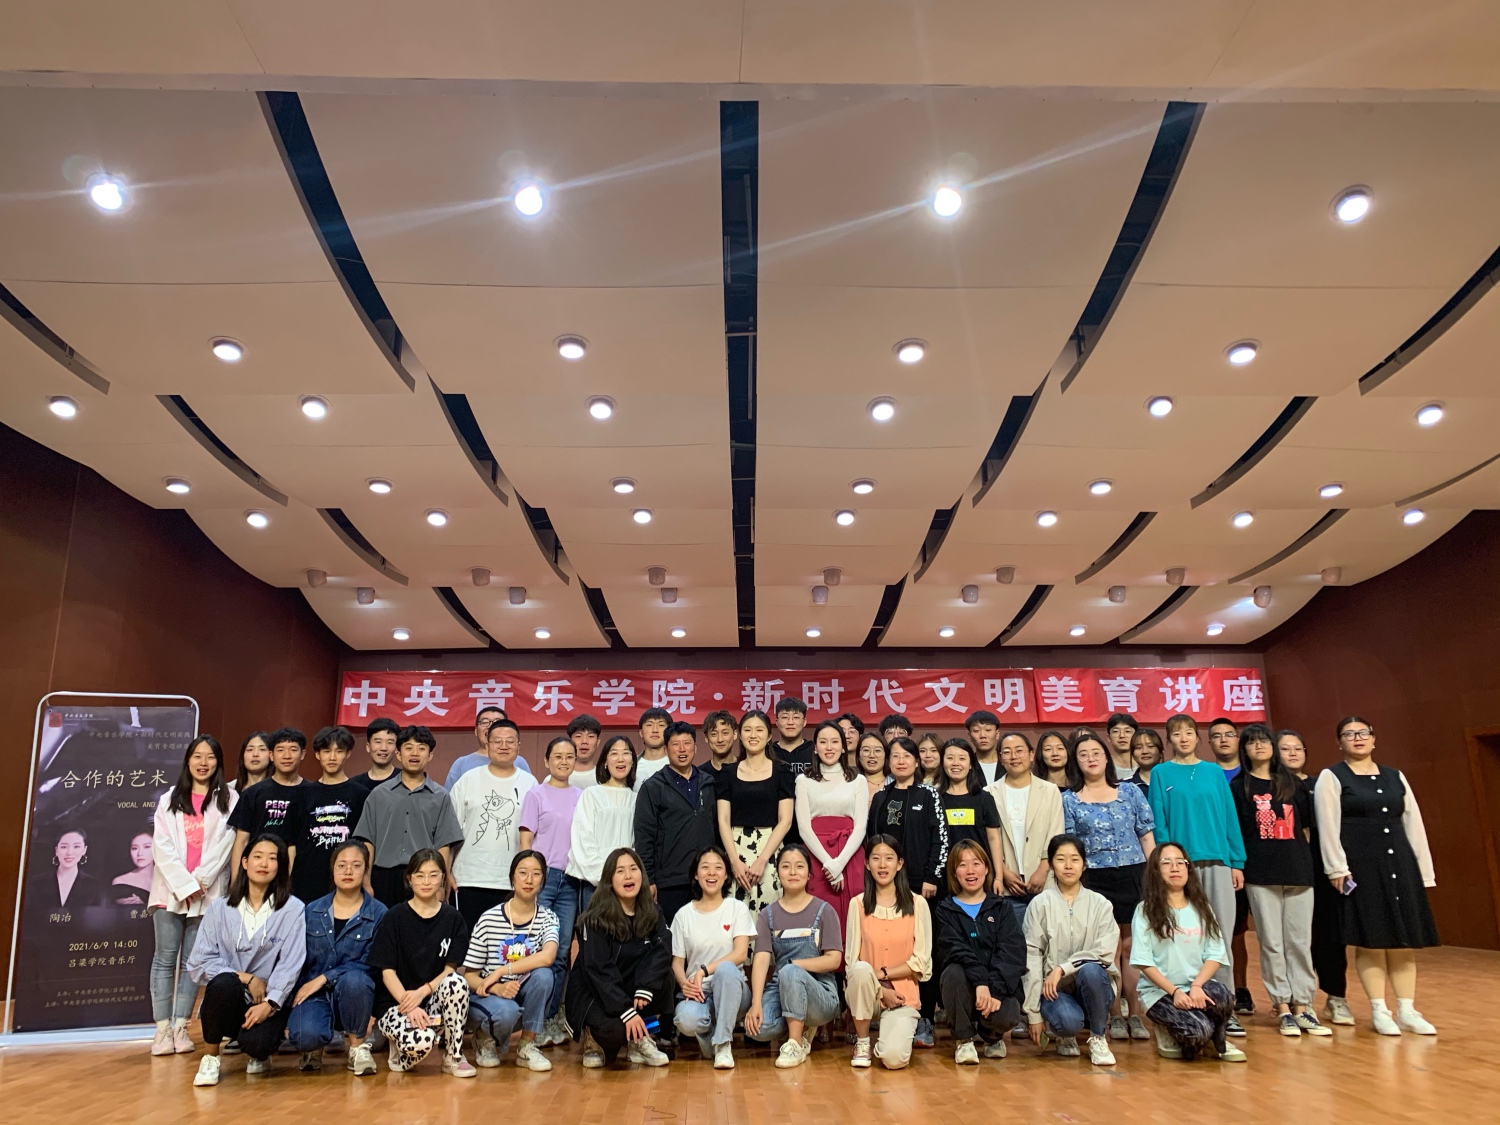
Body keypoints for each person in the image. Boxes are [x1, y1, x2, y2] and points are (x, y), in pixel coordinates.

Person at [1315, 716, 1439, 1036]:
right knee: (1372, 939)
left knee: (1402, 940)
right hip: (1361, 867)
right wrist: (1336, 868)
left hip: (1400, 864)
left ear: (1374, 738)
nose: (1357, 738)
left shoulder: (1395, 776)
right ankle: (1379, 1009)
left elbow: (1412, 822)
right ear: (1339, 742)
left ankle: (1407, 1009)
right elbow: (1328, 826)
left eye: (1363, 733)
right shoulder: (1332, 776)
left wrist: (1423, 871)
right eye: (1349, 734)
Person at [1230, 723, 1331, 1038]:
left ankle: (1304, 1005)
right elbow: (1238, 831)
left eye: (1264, 741)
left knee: (1299, 941)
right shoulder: (1239, 786)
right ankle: (1282, 1006)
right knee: (1272, 942)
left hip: (1298, 871)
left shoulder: (1292, 783)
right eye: (1252, 742)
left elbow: (1307, 829)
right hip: (1261, 874)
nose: (1259, 746)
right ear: (1244, 750)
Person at [1148, 714, 1246, 1034]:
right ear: (1169, 740)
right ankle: (1185, 1004)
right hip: (1181, 866)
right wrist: (1167, 862)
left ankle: (1224, 1006)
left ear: (1197, 737)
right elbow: (1159, 821)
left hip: (1218, 861)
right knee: (1184, 936)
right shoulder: (1161, 773)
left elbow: (1229, 817)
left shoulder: (1214, 772)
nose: (1184, 738)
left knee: (1220, 937)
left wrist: (1236, 861)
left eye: (1189, 732)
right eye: (1177, 734)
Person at [185, 833, 307, 1086]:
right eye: (257, 857)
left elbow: (291, 964)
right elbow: (199, 962)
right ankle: (210, 1057)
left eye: (272, 858)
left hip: (267, 999)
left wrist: (270, 1003)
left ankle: (259, 1050)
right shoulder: (219, 908)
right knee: (224, 983)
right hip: (230, 996)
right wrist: (246, 978)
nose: (264, 864)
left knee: (258, 1045)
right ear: (244, 862)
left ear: (281, 866)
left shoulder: (293, 909)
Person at [1061, 729, 1155, 1041]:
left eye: (1096, 753)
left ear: (1107, 757)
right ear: (1076, 761)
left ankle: (1136, 1014)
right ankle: (1113, 1015)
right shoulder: (1069, 799)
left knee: (1131, 946)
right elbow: (1070, 846)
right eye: (1083, 755)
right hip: (1095, 878)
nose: (1091, 759)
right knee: (1107, 948)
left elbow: (1146, 836)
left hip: (1133, 873)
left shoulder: (1130, 792)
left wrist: (1154, 874)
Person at [148, 734, 238, 1055]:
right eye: (197, 756)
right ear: (188, 760)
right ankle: (161, 1030)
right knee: (164, 959)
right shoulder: (168, 799)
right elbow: (161, 847)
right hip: (169, 891)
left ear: (218, 762)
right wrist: (184, 885)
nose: (203, 762)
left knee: (192, 962)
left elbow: (226, 844)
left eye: (210, 757)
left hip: (207, 892)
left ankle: (181, 1027)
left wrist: (200, 881)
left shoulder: (230, 798)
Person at [1131, 842, 1246, 1062]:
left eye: (1180, 862)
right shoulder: (1145, 910)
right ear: (1155, 870)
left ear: (1188, 868)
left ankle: (1215, 1038)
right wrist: (1175, 992)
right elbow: (1143, 962)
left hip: (1195, 988)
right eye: (1166, 863)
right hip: (1161, 992)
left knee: (1224, 997)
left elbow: (1215, 954)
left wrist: (1196, 986)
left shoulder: (1202, 908)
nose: (1175, 868)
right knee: (1196, 1033)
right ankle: (1175, 1030)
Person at [867, 736, 947, 1046]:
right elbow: (872, 840)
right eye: (895, 756)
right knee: (889, 948)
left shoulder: (929, 795)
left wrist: (931, 876)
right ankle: (887, 1008)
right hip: (886, 886)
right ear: (888, 762)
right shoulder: (881, 797)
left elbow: (941, 838)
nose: (901, 761)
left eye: (907, 756)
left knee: (921, 951)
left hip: (921, 887)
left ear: (916, 762)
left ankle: (925, 1017)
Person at [368, 849, 476, 1076]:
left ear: (443, 878)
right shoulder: (394, 916)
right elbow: (387, 972)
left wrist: (423, 992)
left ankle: (454, 1055)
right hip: (398, 1004)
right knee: (421, 1042)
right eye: (419, 875)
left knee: (457, 982)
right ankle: (397, 1046)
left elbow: (450, 969)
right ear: (409, 878)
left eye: (433, 875)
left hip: (431, 1006)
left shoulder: (453, 919)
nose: (426, 882)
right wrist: (409, 1004)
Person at [567, 847, 673, 1068]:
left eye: (633, 869)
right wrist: (625, 1009)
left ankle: (641, 1038)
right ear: (609, 879)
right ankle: (592, 1038)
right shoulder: (595, 918)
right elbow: (598, 970)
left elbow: (662, 950)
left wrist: (645, 985)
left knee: (665, 978)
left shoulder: (653, 911)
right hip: (595, 992)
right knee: (614, 1032)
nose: (628, 876)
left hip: (629, 987)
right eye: (620, 871)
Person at [286, 840, 385, 1075]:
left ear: (366, 870)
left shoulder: (379, 912)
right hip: (314, 993)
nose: (348, 871)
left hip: (354, 992)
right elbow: (295, 956)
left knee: (355, 979)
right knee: (305, 1036)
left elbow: (371, 963)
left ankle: (357, 1048)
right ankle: (314, 1046)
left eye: (356, 865)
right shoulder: (311, 910)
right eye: (342, 865)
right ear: (332, 869)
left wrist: (325, 977)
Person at [744, 844, 844, 1068]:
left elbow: (834, 959)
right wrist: (756, 1002)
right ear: (777, 873)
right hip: (781, 988)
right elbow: (761, 959)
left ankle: (795, 1044)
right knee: (758, 1029)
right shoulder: (767, 915)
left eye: (799, 867)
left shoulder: (825, 910)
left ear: (809, 874)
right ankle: (799, 1024)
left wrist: (795, 965)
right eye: (786, 866)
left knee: (790, 971)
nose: (792, 872)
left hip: (821, 992)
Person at [1023, 834, 1119, 1066]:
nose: (1068, 866)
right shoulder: (1040, 903)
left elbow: (1104, 953)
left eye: (1075, 859)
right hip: (1055, 991)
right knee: (1068, 1022)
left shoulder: (1101, 904)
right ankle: (1065, 1034)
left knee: (1091, 970)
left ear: (1084, 865)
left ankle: (1098, 1037)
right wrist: (1033, 1013)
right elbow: (1031, 957)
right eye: (1060, 859)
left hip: (1094, 987)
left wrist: (1062, 968)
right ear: (1051, 865)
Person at [1279, 727, 1353, 1025]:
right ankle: (1297, 999)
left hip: (1326, 871)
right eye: (1286, 748)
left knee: (1330, 935)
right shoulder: (1273, 789)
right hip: (1293, 870)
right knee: (1294, 938)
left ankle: (1336, 997)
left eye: (1298, 748)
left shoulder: (1320, 783)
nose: (1293, 753)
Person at [464, 849, 559, 1072]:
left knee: (545, 975)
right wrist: (496, 986)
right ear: (512, 877)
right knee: (506, 1010)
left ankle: (526, 1046)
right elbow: (469, 976)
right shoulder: (489, 919)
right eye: (523, 872)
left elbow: (548, 956)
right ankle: (483, 1038)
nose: (529, 880)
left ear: (543, 880)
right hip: (488, 997)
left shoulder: (548, 917)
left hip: (520, 993)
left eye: (536, 874)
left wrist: (502, 970)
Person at [933, 840, 1025, 1065]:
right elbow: (954, 950)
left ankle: (991, 1037)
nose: (970, 871)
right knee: (953, 972)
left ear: (986, 868)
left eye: (976, 863)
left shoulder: (1002, 908)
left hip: (996, 989)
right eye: (962, 865)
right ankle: (964, 1040)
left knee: (1009, 1014)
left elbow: (1012, 953)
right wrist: (980, 982)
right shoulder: (945, 910)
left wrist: (993, 989)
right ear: (954, 872)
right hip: (964, 988)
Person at [845, 836, 932, 1070]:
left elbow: (921, 963)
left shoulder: (917, 904)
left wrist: (883, 974)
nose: (882, 865)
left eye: (889, 858)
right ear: (867, 864)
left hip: (902, 996)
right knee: (860, 970)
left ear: (900, 863)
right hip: (867, 994)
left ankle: (893, 1035)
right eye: (876, 858)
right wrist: (881, 990)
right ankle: (863, 1041)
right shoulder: (857, 904)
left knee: (894, 1060)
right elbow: (852, 964)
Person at [353, 725, 464, 907]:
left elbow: (443, 845)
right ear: (398, 754)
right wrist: (365, 880)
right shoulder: (378, 794)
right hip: (383, 877)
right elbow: (368, 841)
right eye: (408, 748)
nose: (414, 753)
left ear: (430, 755)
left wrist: (441, 885)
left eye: (421, 748)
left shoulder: (441, 796)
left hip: (424, 877)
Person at [518, 737, 583, 1047]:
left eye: (569, 756)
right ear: (546, 761)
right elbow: (525, 841)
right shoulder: (536, 795)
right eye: (557, 756)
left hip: (570, 880)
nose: (563, 761)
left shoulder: (582, 797)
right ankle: (532, 1021)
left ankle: (552, 1017)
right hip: (542, 878)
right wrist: (528, 878)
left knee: (560, 952)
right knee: (535, 948)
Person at [448, 718, 540, 925]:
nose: (503, 746)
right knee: (469, 940)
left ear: (518, 746)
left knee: (509, 942)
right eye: (497, 741)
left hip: (513, 882)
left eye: (510, 741)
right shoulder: (468, 780)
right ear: (487, 744)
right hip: (469, 879)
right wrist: (447, 872)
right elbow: (450, 832)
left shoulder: (530, 783)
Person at [670, 846, 755, 1068]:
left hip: (733, 990)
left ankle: (723, 1043)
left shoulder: (736, 908)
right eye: (705, 867)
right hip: (699, 993)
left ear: (726, 875)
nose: (711, 873)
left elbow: (740, 954)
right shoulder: (683, 915)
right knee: (685, 1019)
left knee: (726, 969)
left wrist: (704, 971)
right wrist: (684, 983)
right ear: (695, 875)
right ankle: (712, 1037)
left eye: (718, 867)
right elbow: (677, 963)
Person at [716, 709, 794, 914]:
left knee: (770, 916)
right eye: (747, 730)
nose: (753, 735)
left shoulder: (782, 771)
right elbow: (723, 819)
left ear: (769, 736)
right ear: (740, 735)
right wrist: (734, 861)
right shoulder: (727, 773)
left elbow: (785, 820)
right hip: (735, 847)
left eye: (759, 730)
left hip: (770, 849)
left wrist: (762, 860)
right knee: (734, 915)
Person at [795, 721, 869, 927]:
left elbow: (860, 827)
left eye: (835, 742)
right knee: (816, 916)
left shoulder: (858, 780)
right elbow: (804, 828)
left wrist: (839, 863)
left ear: (843, 746)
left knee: (853, 917)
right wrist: (829, 864)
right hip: (816, 856)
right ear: (815, 747)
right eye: (823, 742)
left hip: (849, 855)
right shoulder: (803, 780)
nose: (829, 747)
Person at [988, 731, 1064, 925]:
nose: (1014, 756)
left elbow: (1056, 834)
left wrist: (1043, 869)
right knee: (1012, 939)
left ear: (1031, 754)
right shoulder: (989, 793)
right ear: (1000, 758)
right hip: (1007, 887)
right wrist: (1003, 872)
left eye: (1019, 750)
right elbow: (988, 839)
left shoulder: (1050, 791)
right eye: (1007, 752)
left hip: (1044, 882)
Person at [1206, 716, 1253, 1014]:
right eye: (1217, 735)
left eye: (1229, 734)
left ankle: (1241, 987)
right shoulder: (1208, 775)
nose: (1223, 739)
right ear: (1209, 742)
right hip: (1220, 860)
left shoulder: (1250, 776)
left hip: (1248, 860)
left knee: (1237, 932)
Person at [291, 725, 368, 906]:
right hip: (307, 878)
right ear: (318, 754)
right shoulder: (302, 794)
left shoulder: (361, 794)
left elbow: (366, 842)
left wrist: (366, 879)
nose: (332, 757)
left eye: (339, 751)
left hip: (347, 877)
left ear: (348, 754)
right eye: (326, 751)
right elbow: (292, 842)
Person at [567, 735, 639, 919]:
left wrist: (625, 875)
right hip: (595, 883)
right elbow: (583, 838)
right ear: (605, 761)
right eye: (614, 754)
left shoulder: (636, 799)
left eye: (626, 753)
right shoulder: (591, 795)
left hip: (628, 884)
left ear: (632, 761)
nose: (621, 759)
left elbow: (637, 843)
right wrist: (604, 876)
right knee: (594, 933)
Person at [228, 726, 312, 872]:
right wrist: (236, 880)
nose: (287, 756)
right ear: (271, 755)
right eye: (280, 750)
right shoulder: (253, 793)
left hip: (299, 874)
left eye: (293, 750)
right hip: (258, 871)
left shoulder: (312, 793)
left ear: (303, 754)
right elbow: (241, 841)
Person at [937, 738, 1003, 883]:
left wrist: (998, 877)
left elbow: (993, 838)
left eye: (962, 758)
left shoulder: (984, 798)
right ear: (942, 763)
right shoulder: (935, 799)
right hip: (944, 876)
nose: (956, 763)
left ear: (971, 764)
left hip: (978, 875)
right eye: (950, 758)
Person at [445, 706, 533, 790]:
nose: (490, 726)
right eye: (484, 722)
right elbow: (450, 798)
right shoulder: (461, 764)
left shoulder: (519, 762)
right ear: (476, 731)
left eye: (497, 722)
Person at [34, 828, 106, 913]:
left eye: (76, 846)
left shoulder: (95, 886)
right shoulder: (36, 883)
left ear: (84, 850)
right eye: (64, 847)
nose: (69, 852)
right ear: (56, 850)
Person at [352, 718, 400, 791]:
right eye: (378, 742)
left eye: (390, 742)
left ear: (396, 748)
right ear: (368, 747)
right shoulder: (355, 784)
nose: (383, 748)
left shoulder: (405, 780)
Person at [774, 696, 815, 776]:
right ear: (777, 722)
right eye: (785, 717)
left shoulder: (815, 750)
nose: (790, 722)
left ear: (804, 722)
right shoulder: (768, 752)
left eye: (796, 717)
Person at [112, 832, 155, 905]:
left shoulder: (167, 880)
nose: (140, 853)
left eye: (147, 847)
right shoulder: (121, 882)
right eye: (134, 848)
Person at [636, 707, 673, 784]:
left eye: (661, 725)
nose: (655, 730)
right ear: (641, 733)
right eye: (649, 725)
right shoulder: (630, 766)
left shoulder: (677, 765)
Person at [965, 710, 1003, 785]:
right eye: (976, 731)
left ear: (997, 734)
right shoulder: (967, 765)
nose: (982, 735)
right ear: (969, 736)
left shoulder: (1007, 762)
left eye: (988, 730)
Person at [567, 714, 603, 789]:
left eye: (591, 736)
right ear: (570, 742)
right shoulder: (556, 779)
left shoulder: (605, 778)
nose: (584, 741)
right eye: (578, 736)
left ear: (598, 742)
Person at [1127, 727, 1164, 796]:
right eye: (1138, 747)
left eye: (1150, 746)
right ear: (1132, 754)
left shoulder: (1172, 781)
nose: (1145, 751)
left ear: (1161, 752)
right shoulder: (1125, 786)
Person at [703, 710, 739, 775]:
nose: (720, 740)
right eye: (714, 734)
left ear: (735, 734)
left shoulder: (747, 770)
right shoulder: (700, 775)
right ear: (706, 737)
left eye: (725, 733)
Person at [856, 732, 889, 804]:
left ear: (886, 755)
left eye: (877, 750)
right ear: (858, 756)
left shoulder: (895, 784)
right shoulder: (851, 784)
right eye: (866, 750)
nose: (872, 755)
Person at [1106, 713, 1139, 780]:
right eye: (1116, 731)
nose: (1122, 736)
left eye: (1127, 731)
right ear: (1108, 737)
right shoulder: (1103, 764)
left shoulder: (1145, 764)